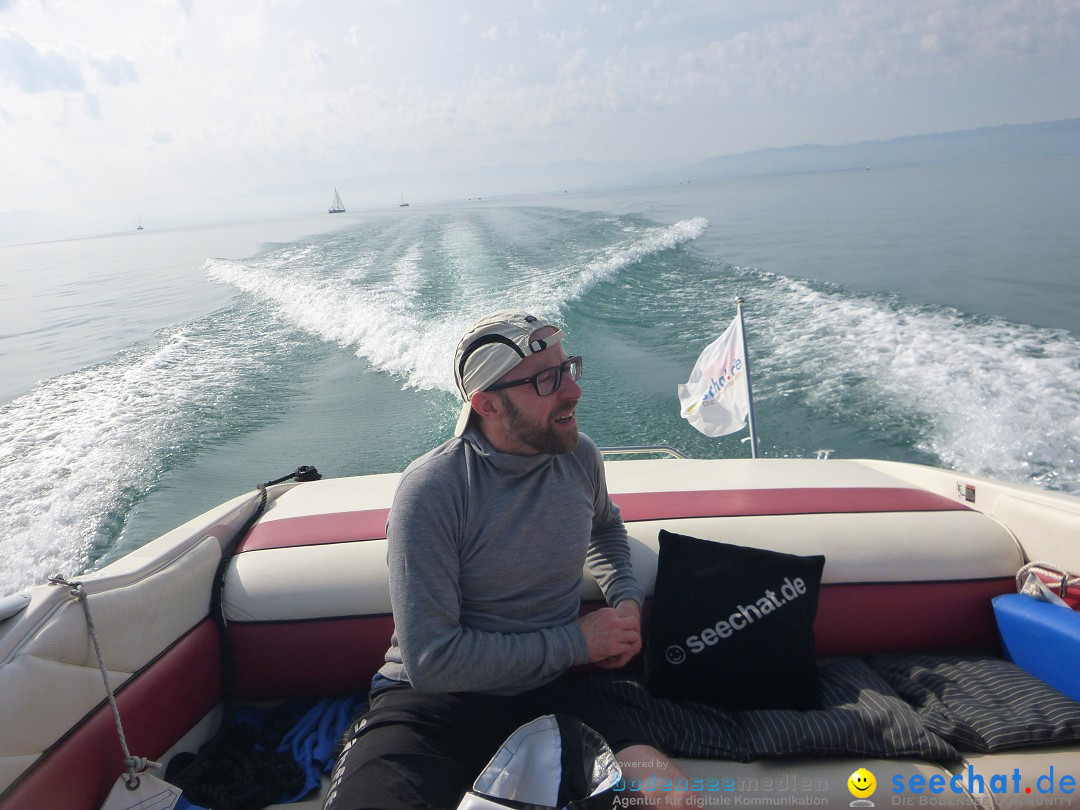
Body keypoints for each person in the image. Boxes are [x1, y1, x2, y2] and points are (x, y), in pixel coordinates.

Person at [325, 312, 693, 810]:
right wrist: (578, 642)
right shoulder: (434, 492)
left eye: (568, 369)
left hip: (553, 691)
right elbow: (433, 661)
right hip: (432, 707)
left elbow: (604, 527)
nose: (573, 391)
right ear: (486, 404)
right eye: (547, 380)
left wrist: (625, 600)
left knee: (675, 800)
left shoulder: (579, 457)